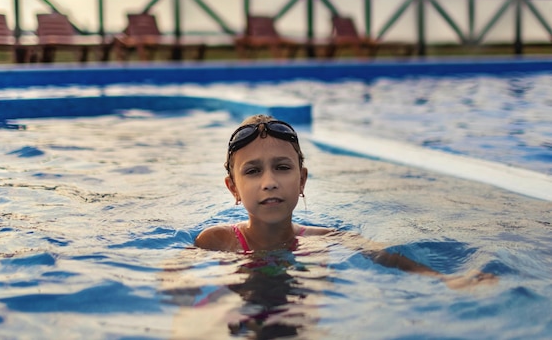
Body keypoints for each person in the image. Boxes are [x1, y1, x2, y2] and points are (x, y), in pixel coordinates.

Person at [195, 114, 496, 289]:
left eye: (283, 167)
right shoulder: (217, 241)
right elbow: (178, 287)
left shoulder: (326, 239)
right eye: (253, 171)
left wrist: (445, 279)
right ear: (233, 188)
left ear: (302, 180)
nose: (269, 181)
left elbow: (385, 257)